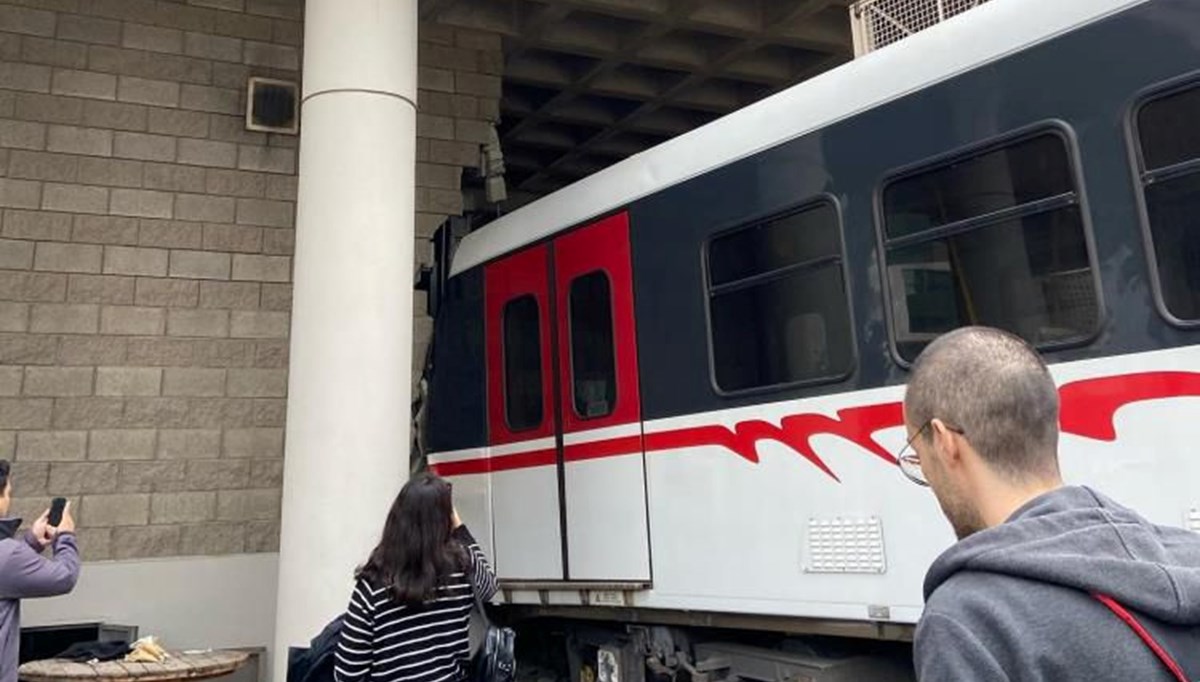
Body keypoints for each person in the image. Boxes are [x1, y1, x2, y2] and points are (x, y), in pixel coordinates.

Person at [899, 326, 1200, 680]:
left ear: (945, 441)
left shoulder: (968, 619)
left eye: (918, 456)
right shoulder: (1188, 556)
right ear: (1052, 424)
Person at [334, 473, 497, 682]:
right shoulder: (461, 569)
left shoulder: (373, 584)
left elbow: (347, 673)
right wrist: (459, 527)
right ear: (445, 520)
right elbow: (489, 587)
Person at [0, 460, 81, 682]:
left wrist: (30, 544)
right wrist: (65, 536)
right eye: (7, 492)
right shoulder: (8, 555)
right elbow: (65, 576)